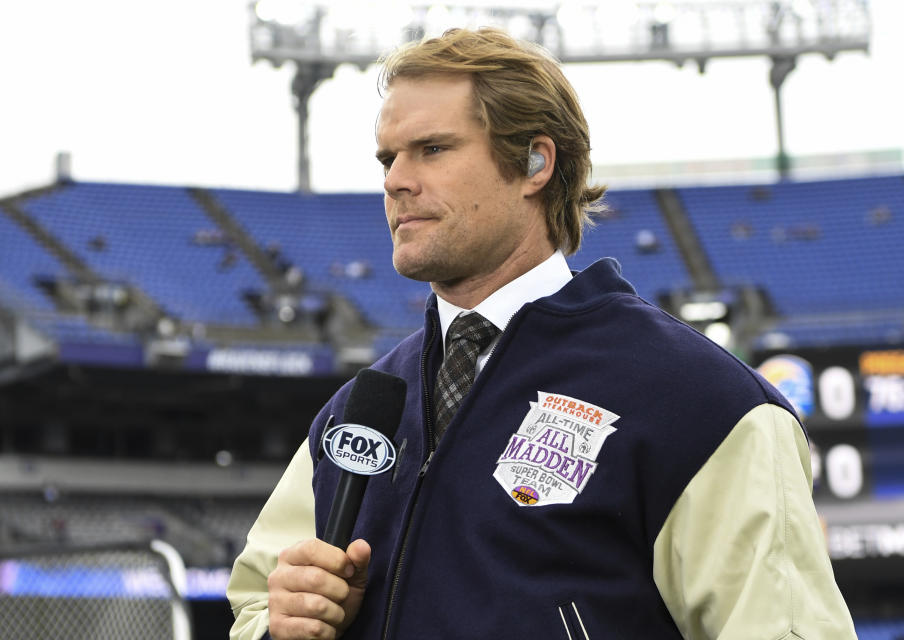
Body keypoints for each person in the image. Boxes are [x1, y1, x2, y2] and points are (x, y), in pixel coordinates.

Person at [227, 27, 856, 640]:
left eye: (433, 149)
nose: (395, 180)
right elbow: (256, 603)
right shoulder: (356, 415)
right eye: (389, 158)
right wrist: (285, 624)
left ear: (535, 162)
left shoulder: (704, 403)